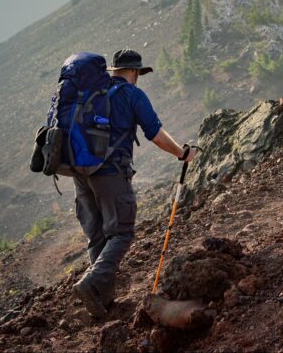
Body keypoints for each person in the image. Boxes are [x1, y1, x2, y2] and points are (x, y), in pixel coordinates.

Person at [72, 49, 197, 318]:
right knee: (121, 233)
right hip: (111, 172)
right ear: (135, 72)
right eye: (138, 73)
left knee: (99, 236)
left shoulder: (90, 93)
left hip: (79, 173)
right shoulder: (132, 94)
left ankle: (102, 304)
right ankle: (91, 284)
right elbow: (155, 133)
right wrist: (182, 153)